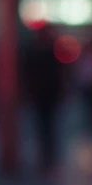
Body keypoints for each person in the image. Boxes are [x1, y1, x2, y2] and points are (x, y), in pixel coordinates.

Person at [24, 26, 67, 173]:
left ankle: (49, 158)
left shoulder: (50, 51)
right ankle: (45, 158)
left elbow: (60, 73)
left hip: (48, 95)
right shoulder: (36, 51)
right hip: (41, 95)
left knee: (49, 127)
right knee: (43, 127)